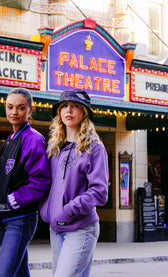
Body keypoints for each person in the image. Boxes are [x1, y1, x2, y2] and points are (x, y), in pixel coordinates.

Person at [40, 88, 109, 277]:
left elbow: (100, 192)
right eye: (64, 106)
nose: (68, 110)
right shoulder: (54, 146)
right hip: (56, 229)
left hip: (81, 229)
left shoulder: (94, 147)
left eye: (75, 106)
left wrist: (68, 209)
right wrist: (47, 210)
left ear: (84, 112)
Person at [0, 87, 51, 277]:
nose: (14, 112)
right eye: (10, 107)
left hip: (20, 219)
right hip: (4, 220)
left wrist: (12, 200)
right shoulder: (11, 138)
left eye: (20, 107)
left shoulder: (34, 139)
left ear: (30, 110)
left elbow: (41, 181)